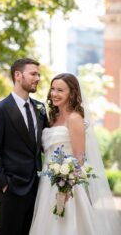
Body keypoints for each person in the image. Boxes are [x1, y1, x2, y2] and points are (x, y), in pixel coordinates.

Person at [29, 73, 121, 235]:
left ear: (71, 93)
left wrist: (66, 188)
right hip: (47, 182)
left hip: (67, 186)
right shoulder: (52, 118)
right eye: (53, 89)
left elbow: (80, 157)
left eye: (60, 90)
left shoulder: (75, 118)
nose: (55, 94)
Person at [0, 58, 48, 235]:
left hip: (38, 188)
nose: (38, 78)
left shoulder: (40, 108)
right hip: (12, 189)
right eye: (33, 74)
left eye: (39, 75)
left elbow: (45, 145)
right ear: (18, 76)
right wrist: (3, 184)